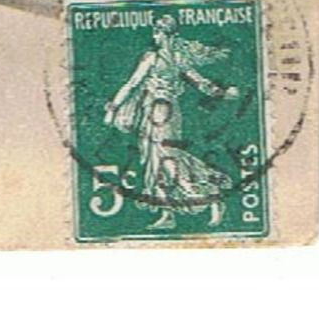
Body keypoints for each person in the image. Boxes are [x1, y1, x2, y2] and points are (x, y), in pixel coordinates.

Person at [103, 14, 242, 229]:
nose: (155, 36)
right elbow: (202, 83)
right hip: (157, 112)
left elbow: (132, 84)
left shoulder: (155, 57)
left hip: (161, 112)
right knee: (155, 162)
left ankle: (212, 195)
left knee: (167, 159)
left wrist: (113, 108)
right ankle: (167, 214)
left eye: (157, 32)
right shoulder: (174, 57)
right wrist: (222, 93)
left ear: (164, 34)